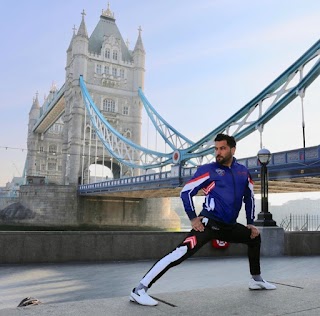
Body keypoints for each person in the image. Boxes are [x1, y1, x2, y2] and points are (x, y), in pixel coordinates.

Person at [130, 133, 276, 306]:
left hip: (229, 226)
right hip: (208, 225)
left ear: (232, 149)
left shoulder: (243, 172)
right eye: (216, 149)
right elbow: (186, 192)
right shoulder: (208, 170)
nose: (218, 152)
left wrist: (250, 222)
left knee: (254, 237)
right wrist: (193, 218)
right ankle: (139, 290)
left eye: (222, 148)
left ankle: (256, 280)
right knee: (179, 253)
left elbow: (249, 198)